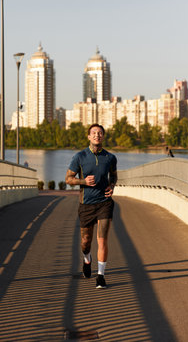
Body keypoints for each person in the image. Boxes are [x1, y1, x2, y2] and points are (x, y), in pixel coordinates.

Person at [65, 123, 117, 289]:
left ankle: (101, 276)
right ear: (89, 137)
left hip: (104, 204)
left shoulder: (110, 158)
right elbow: (68, 179)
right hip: (86, 205)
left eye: (100, 133)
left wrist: (112, 186)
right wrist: (83, 181)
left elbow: (114, 176)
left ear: (103, 136)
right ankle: (87, 259)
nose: (97, 135)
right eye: (94, 133)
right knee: (86, 242)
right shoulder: (79, 157)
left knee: (102, 241)